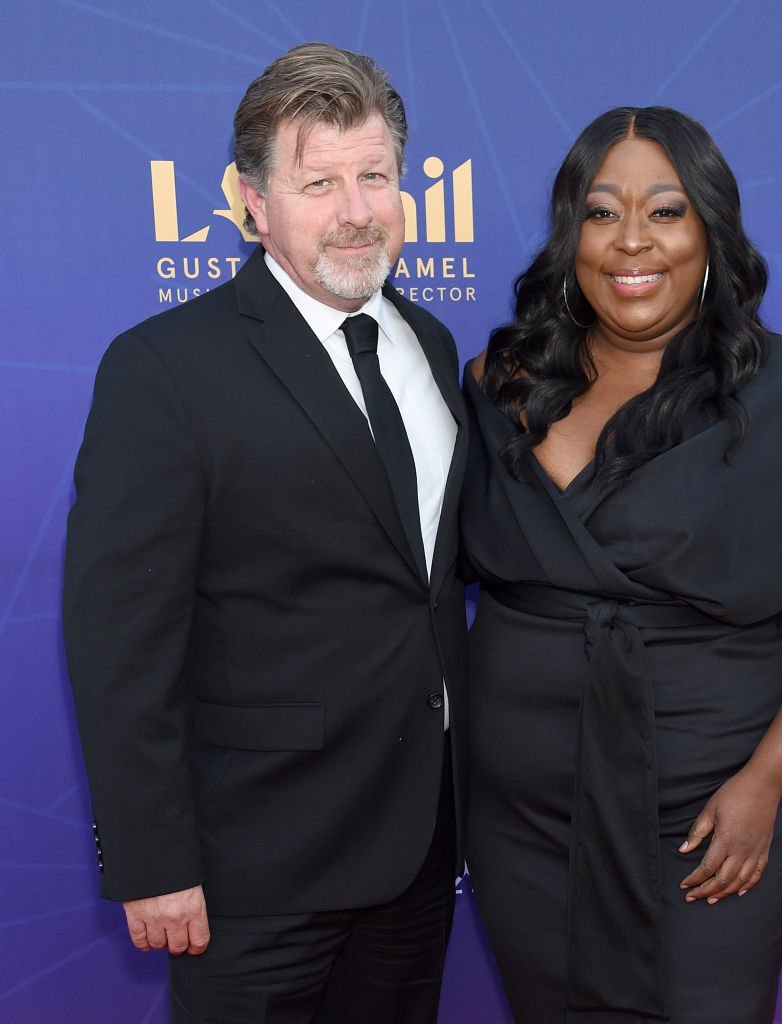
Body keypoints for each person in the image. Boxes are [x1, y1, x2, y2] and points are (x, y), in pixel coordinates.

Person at [461, 106, 782, 1024]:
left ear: (709, 229)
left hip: (710, 817)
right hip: (522, 823)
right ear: (570, 233)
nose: (631, 241)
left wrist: (763, 783)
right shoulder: (496, 382)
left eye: (665, 211)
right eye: (601, 212)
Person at [63, 42, 467, 1024]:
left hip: (418, 853)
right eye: (317, 181)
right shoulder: (164, 370)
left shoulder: (432, 345)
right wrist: (154, 861)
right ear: (252, 203)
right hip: (253, 875)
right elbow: (120, 639)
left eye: (375, 176)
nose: (355, 210)